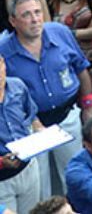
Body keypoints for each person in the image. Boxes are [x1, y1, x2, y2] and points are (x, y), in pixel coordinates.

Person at [0, 0, 92, 198]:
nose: (35, 19)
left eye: (37, 12)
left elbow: (81, 67)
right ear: (13, 21)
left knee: (76, 176)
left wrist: (89, 105)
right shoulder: (3, 49)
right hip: (29, 128)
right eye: (26, 15)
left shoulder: (60, 32)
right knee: (39, 188)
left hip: (67, 116)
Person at [0, 54, 43, 214]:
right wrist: (1, 162)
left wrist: (40, 130)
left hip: (28, 166)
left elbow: (30, 115)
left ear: (4, 63)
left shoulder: (17, 86)